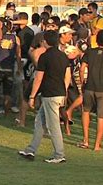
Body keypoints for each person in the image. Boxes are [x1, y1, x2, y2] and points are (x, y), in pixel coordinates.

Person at [19, 30, 71, 163]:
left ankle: (59, 155)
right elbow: (67, 76)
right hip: (59, 92)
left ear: (45, 42)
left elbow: (39, 78)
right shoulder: (63, 56)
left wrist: (32, 96)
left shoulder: (44, 57)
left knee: (53, 125)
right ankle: (30, 150)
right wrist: (64, 92)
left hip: (50, 94)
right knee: (39, 122)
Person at [78, 30, 103, 151]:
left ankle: (86, 140)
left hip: (89, 86)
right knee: (101, 117)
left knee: (86, 112)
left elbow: (82, 68)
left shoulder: (89, 52)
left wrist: (83, 82)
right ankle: (97, 145)